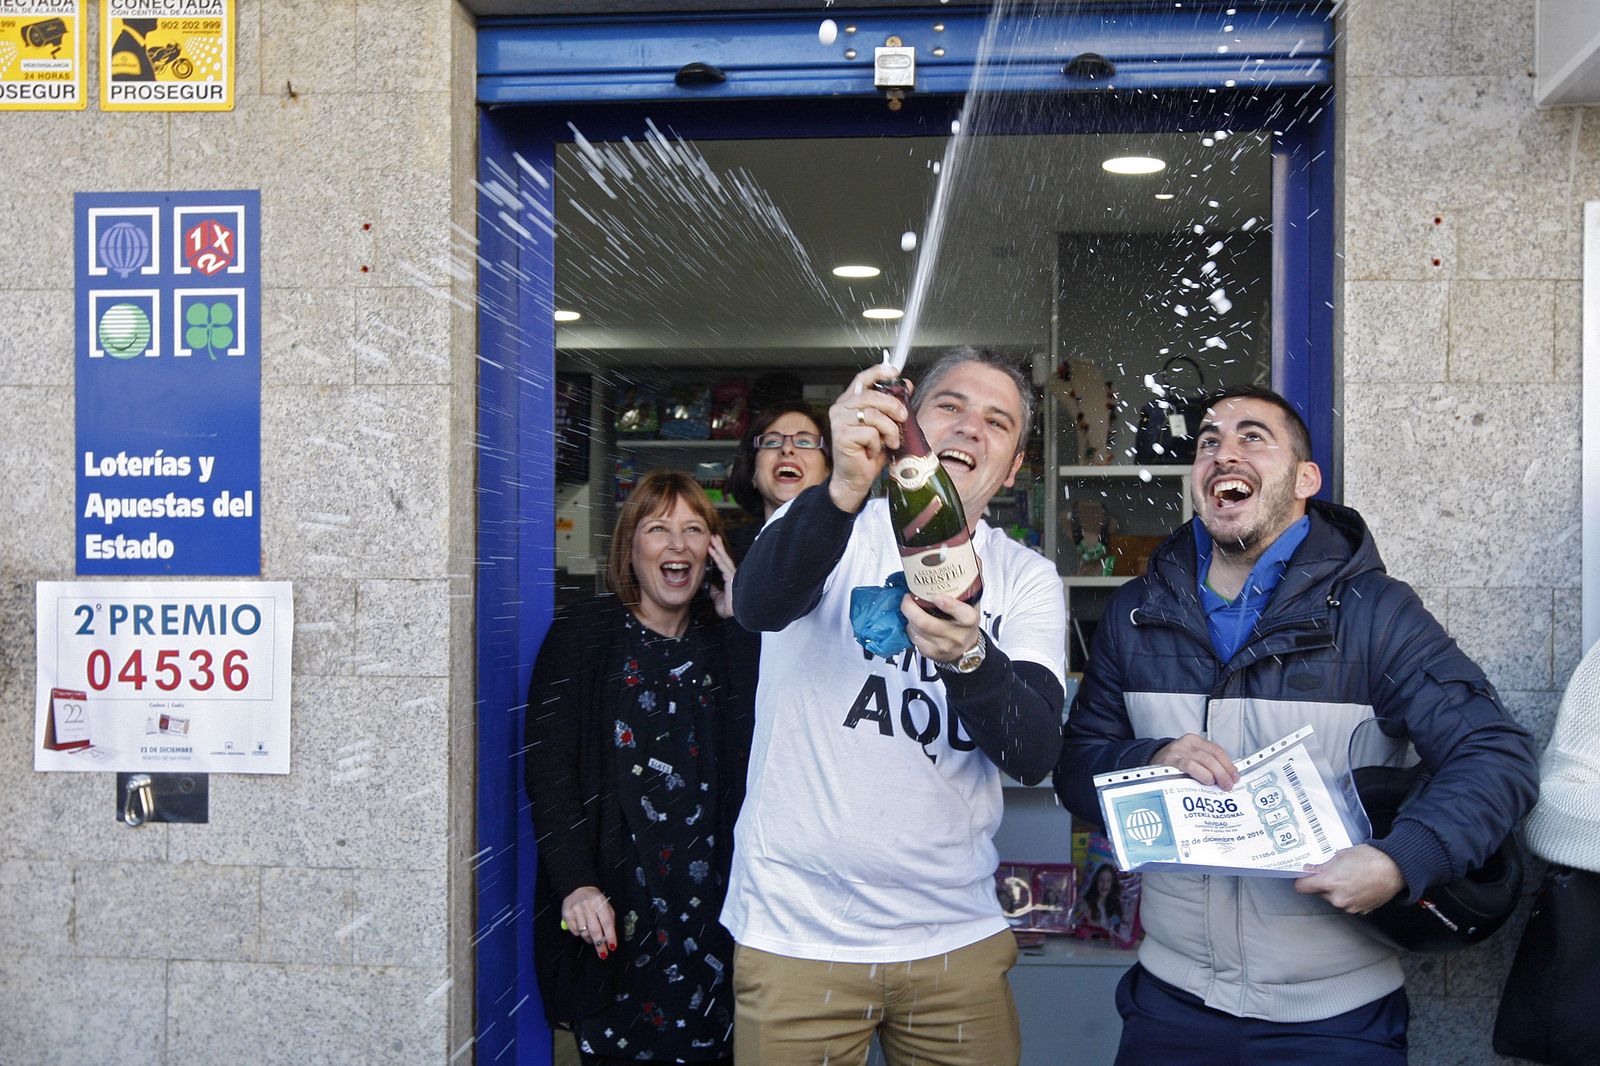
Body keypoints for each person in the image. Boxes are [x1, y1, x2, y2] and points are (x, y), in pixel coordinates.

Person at [1054, 384, 1539, 1064]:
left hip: (1335, 1022)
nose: (1225, 451)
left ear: (1306, 479)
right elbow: (1076, 770)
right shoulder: (1137, 614)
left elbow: (1496, 755)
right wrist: (1150, 756)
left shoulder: (1376, 615)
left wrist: (1402, 860)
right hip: (1169, 1007)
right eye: (1209, 443)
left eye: (1254, 437)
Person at [723, 348, 1068, 1065]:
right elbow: (758, 606)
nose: (971, 428)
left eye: (996, 421)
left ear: (1012, 468)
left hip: (956, 939)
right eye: (950, 407)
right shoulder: (826, 521)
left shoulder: (1026, 579)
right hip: (799, 935)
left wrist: (969, 660)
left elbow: (1033, 754)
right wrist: (845, 484)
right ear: (905, 427)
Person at [524, 470, 755, 1066]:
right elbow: (549, 770)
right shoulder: (584, 634)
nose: (677, 545)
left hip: (712, 918)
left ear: (713, 552)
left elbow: (765, 748)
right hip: (616, 916)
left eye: (693, 530)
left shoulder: (725, 643)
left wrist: (738, 622)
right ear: (632, 547)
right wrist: (575, 884)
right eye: (658, 529)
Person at [723, 401, 832, 562]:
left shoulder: (852, 545)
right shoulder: (726, 553)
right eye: (772, 441)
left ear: (828, 471)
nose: (787, 449)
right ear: (753, 473)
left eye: (804, 442)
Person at [1076, 863, 1125, 935]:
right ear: (1096, 882)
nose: (1104, 884)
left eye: (1108, 881)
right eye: (1101, 880)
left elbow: (1118, 930)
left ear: (1112, 883)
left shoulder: (1115, 907)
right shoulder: (1085, 905)